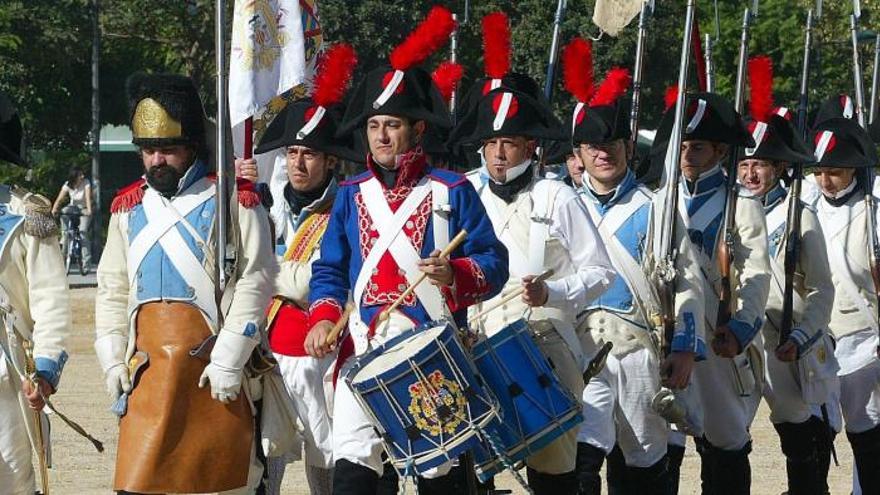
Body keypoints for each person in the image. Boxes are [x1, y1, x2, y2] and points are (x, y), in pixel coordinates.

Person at [303, 7, 509, 495]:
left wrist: (454, 273)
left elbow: (493, 263)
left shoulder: (452, 189)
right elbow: (330, 270)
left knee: (440, 474)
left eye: (392, 125)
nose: (380, 136)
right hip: (364, 345)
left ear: (416, 129)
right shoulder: (351, 195)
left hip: (432, 346)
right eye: (374, 125)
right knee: (353, 465)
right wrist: (321, 318)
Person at [94, 73, 277, 494]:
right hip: (148, 375)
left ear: (192, 146)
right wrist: (111, 359)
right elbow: (113, 288)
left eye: (167, 149)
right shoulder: (127, 208)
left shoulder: (235, 200)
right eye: (148, 150)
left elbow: (255, 281)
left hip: (214, 369)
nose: (156, 160)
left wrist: (230, 357)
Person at [450, 79, 616, 494]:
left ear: (529, 146)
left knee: (553, 475)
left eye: (508, 142)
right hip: (477, 346)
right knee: (473, 472)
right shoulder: (464, 192)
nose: (499, 154)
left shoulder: (556, 196)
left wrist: (552, 294)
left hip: (545, 348)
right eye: (491, 142)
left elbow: (601, 272)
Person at [560, 41, 705, 494]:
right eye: (593, 146)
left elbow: (687, 282)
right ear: (579, 153)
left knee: (641, 464)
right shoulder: (562, 205)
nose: (604, 154)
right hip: (578, 350)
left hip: (640, 350)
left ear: (626, 147)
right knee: (580, 462)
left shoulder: (657, 208)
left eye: (612, 144)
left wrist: (684, 346)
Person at [237, 43, 360, 495]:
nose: (297, 163)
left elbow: (313, 281)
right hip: (269, 348)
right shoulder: (267, 208)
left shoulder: (344, 208)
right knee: (266, 455)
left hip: (321, 349)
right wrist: (244, 198)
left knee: (324, 455)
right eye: (291, 153)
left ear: (329, 160)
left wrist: (279, 276)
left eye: (308, 154)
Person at [652, 90, 771, 494]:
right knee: (662, 440)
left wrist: (740, 328)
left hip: (717, 335)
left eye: (697, 146)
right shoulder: (661, 202)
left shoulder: (741, 204)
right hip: (667, 332)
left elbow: (756, 276)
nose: (687, 154)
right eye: (682, 145)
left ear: (720, 150)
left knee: (725, 442)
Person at [735, 61, 839, 495]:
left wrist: (803, 336)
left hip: (783, 341)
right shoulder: (729, 213)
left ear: (778, 167)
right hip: (737, 342)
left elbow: (822, 290)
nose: (751, 174)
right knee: (726, 442)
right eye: (743, 163)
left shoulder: (799, 214)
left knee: (800, 443)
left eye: (760, 164)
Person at [0, 90, 71, 495]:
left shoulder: (26, 214)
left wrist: (43, 370)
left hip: (6, 374)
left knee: (11, 478)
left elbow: (51, 300)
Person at [806, 116, 880, 493]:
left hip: (864, 339)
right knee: (815, 432)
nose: (824, 181)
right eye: (818, 172)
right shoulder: (802, 204)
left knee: (866, 430)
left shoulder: (875, 208)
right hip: (815, 336)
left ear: (853, 167)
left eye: (833, 172)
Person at [52, 167, 93, 267]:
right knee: (65, 230)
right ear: (74, 177)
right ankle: (62, 257)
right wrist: (54, 209)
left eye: (82, 174)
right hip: (72, 208)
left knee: (83, 232)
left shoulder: (86, 182)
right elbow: (60, 199)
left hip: (83, 208)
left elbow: (88, 197)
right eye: (80, 175)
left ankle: (86, 261)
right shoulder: (68, 184)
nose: (82, 176)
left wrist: (89, 210)